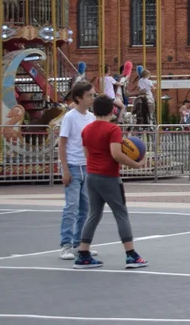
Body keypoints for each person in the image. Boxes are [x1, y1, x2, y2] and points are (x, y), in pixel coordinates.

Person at [73, 95, 148, 269]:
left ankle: (83, 254)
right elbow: (116, 153)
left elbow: (87, 154)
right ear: (112, 110)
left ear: (94, 109)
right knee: (121, 214)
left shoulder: (86, 129)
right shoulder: (112, 129)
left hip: (91, 176)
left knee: (94, 214)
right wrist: (136, 165)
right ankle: (131, 255)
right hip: (108, 176)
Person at [58, 82, 99, 260]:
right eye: (90, 95)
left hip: (87, 167)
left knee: (86, 208)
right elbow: (62, 143)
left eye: (93, 95)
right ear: (79, 97)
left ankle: (80, 243)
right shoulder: (70, 117)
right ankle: (65, 245)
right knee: (71, 207)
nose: (92, 98)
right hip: (74, 167)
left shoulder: (91, 118)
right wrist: (65, 169)